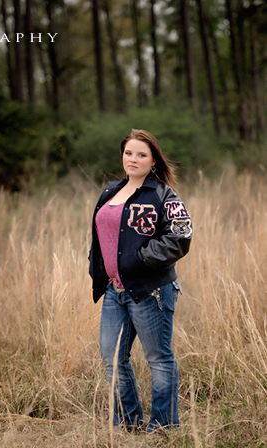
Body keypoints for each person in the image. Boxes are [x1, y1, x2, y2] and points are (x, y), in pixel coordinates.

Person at [89, 129, 192, 431]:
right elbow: (102, 237)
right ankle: (127, 423)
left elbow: (181, 235)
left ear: (153, 161)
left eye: (141, 155)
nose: (133, 159)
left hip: (151, 290)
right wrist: (98, 268)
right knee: (112, 357)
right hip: (114, 290)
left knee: (158, 358)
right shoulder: (110, 192)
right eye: (128, 153)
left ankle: (162, 428)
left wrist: (139, 260)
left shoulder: (162, 195)